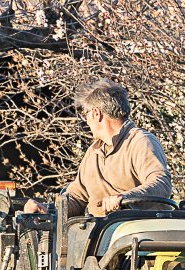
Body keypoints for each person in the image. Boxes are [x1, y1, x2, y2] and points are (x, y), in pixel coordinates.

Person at [24, 79, 172, 217]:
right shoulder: (93, 152)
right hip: (98, 232)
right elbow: (77, 197)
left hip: (135, 230)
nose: (86, 121)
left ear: (96, 114)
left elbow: (161, 184)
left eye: (86, 115)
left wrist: (124, 198)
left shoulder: (140, 142)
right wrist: (47, 209)